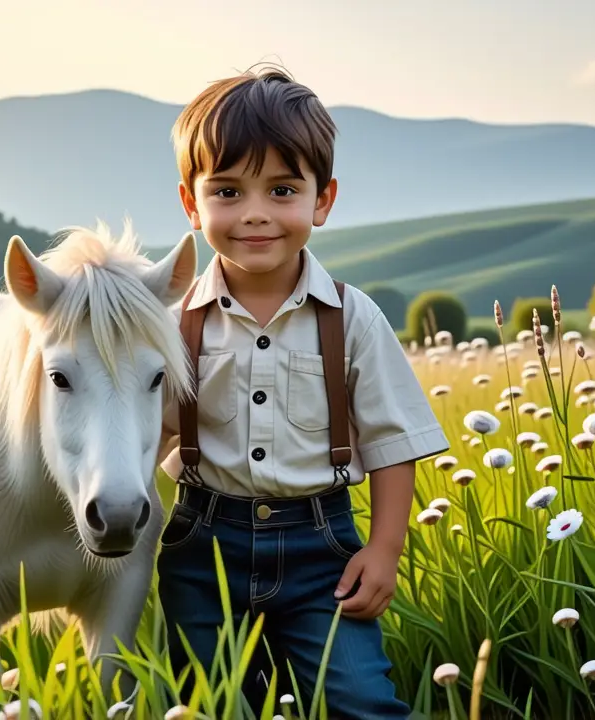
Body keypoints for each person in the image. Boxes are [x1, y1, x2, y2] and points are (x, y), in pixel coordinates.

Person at [154, 64, 451, 720]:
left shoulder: (351, 317)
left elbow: (391, 441)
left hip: (325, 551)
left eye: (282, 189)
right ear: (191, 204)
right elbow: (149, 435)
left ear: (322, 199)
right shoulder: (175, 324)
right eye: (227, 192)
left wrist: (385, 549)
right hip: (203, 549)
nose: (255, 214)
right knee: (207, 705)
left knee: (362, 700)